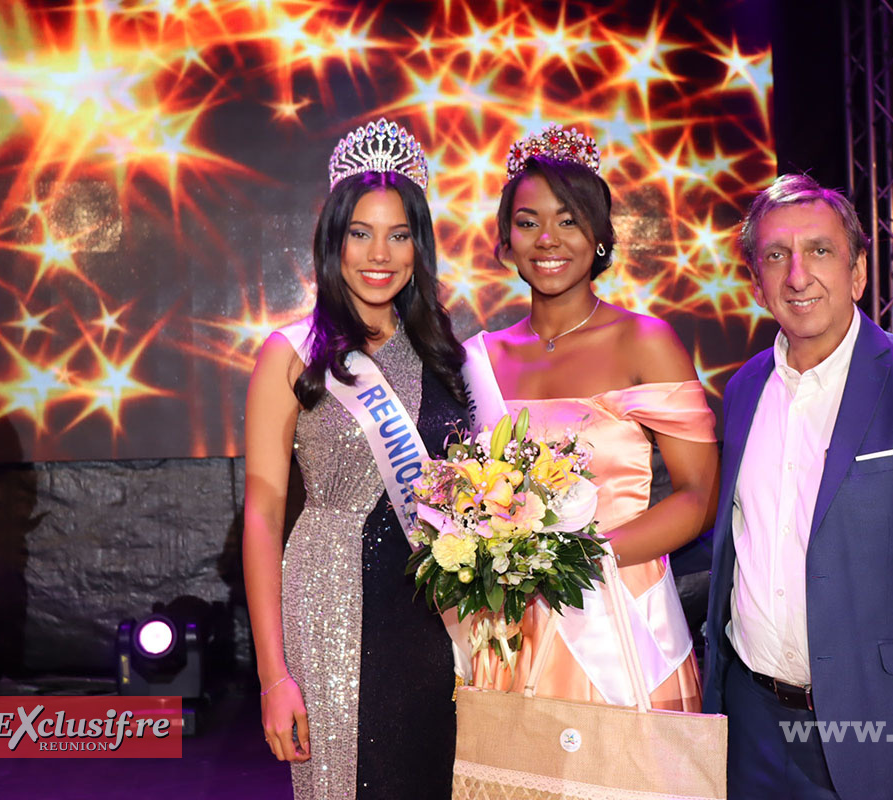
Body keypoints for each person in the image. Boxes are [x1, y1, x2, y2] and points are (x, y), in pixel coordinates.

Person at [702, 173, 893, 799]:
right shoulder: (741, 391)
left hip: (876, 732)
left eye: (819, 251)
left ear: (858, 271)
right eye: (776, 256)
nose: (798, 275)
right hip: (749, 724)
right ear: (755, 283)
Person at [243, 118, 468, 799]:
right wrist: (272, 675)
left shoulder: (445, 354)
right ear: (333, 239)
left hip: (434, 615)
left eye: (399, 234)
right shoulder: (291, 352)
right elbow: (261, 514)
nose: (381, 253)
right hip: (331, 597)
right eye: (361, 233)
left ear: (418, 245)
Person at [462, 123, 719, 711]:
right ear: (505, 241)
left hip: (624, 620)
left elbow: (698, 495)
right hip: (513, 625)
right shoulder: (480, 359)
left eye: (569, 220)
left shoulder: (644, 342)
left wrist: (582, 559)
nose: (547, 239)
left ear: (600, 236)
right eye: (528, 223)